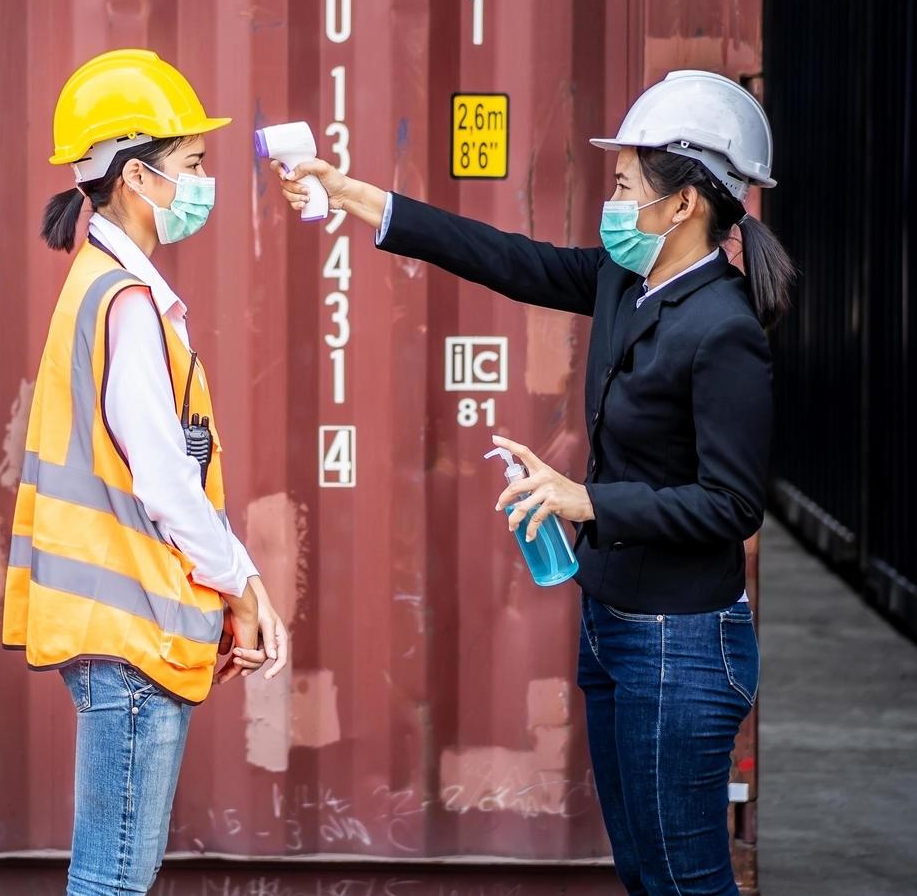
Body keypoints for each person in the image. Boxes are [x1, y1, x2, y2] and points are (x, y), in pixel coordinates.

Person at [275, 70, 793, 896]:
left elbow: (732, 505)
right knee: (645, 873)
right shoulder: (628, 280)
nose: (613, 202)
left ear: (685, 204)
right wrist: (355, 196)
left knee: (687, 881)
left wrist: (583, 498)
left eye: (624, 186)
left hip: (683, 645)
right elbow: (507, 260)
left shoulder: (723, 329)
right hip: (615, 622)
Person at [3, 48, 288, 895]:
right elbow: (166, 480)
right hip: (129, 634)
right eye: (192, 164)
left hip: (120, 629)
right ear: (137, 177)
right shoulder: (123, 302)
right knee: (114, 882)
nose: (204, 181)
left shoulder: (103, 288)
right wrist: (241, 583)